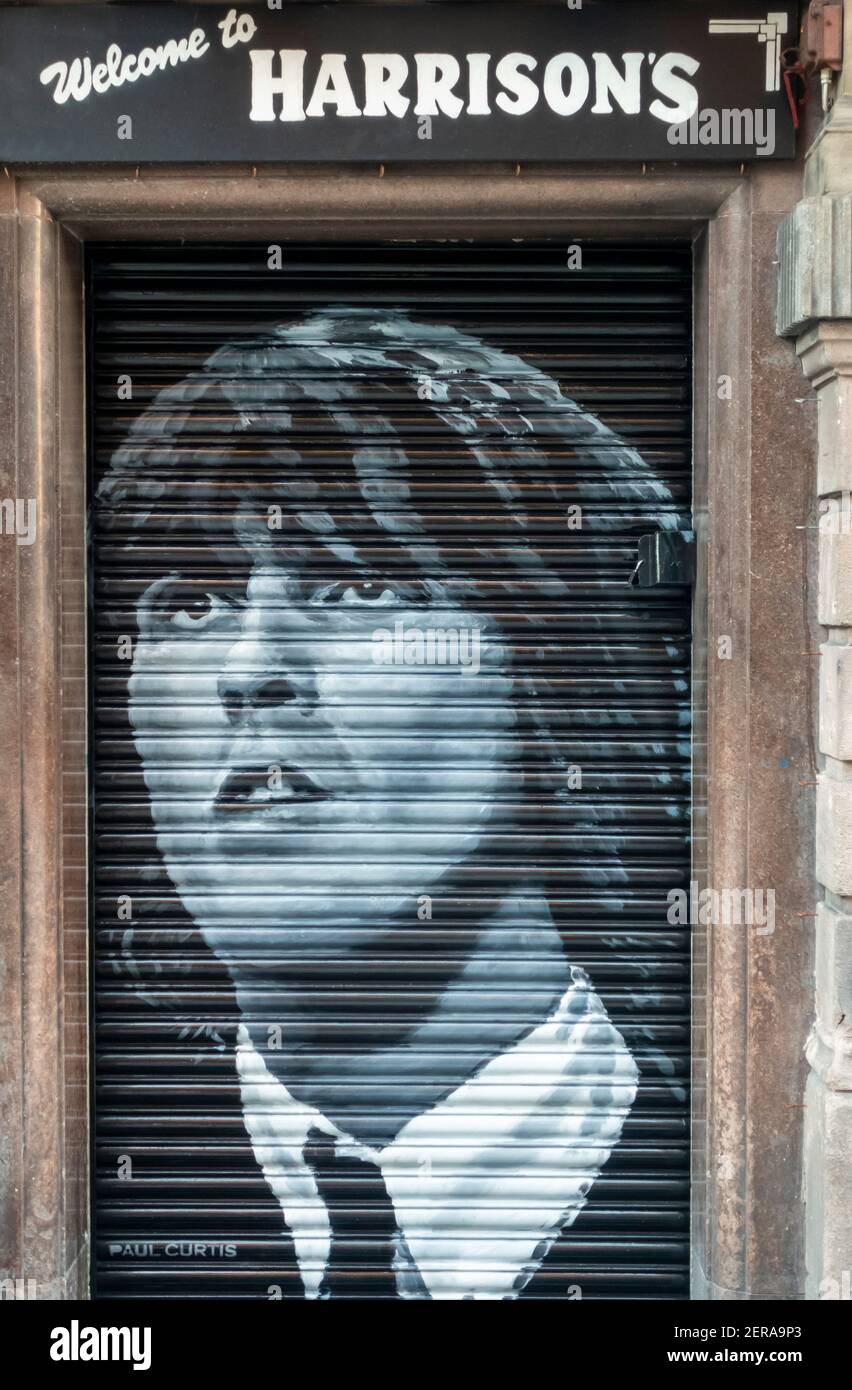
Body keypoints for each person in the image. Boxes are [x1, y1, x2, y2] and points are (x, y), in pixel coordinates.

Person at [97, 307, 684, 1299]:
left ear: (553, 669)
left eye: (360, 584)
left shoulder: (706, 1192)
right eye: (192, 602)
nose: (250, 667)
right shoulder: (110, 1184)